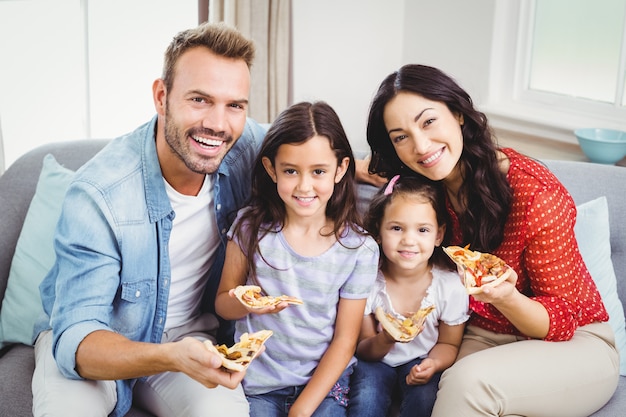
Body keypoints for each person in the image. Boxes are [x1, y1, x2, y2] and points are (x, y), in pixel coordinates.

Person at [32, 22, 266, 417]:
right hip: (100, 337)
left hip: (193, 341)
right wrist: (170, 356)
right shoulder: (99, 192)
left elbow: (311, 153)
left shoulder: (246, 148)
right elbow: (78, 339)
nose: (218, 124)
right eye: (199, 99)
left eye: (235, 105)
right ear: (162, 97)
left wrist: (361, 169)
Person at [365, 63, 620, 416]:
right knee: (432, 390)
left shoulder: (536, 196)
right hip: (482, 336)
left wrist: (507, 297)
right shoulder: (422, 189)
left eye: (428, 121)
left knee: (467, 383)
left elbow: (559, 323)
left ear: (458, 114)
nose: (420, 146)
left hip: (575, 342)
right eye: (400, 137)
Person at [215, 101, 379, 417]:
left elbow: (346, 341)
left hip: (323, 387)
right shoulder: (250, 228)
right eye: (291, 171)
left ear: (341, 169)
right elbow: (223, 302)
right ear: (271, 168)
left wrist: (301, 410)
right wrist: (246, 303)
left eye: (318, 172)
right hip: (259, 384)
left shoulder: (360, 249)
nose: (304, 186)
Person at [348, 175, 469, 417]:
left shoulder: (449, 286)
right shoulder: (367, 280)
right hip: (375, 361)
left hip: (422, 358)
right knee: (366, 400)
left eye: (422, 230)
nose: (409, 240)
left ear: (438, 235)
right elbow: (363, 348)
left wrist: (432, 364)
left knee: (425, 400)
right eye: (396, 228)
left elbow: (449, 343)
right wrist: (386, 340)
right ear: (379, 232)